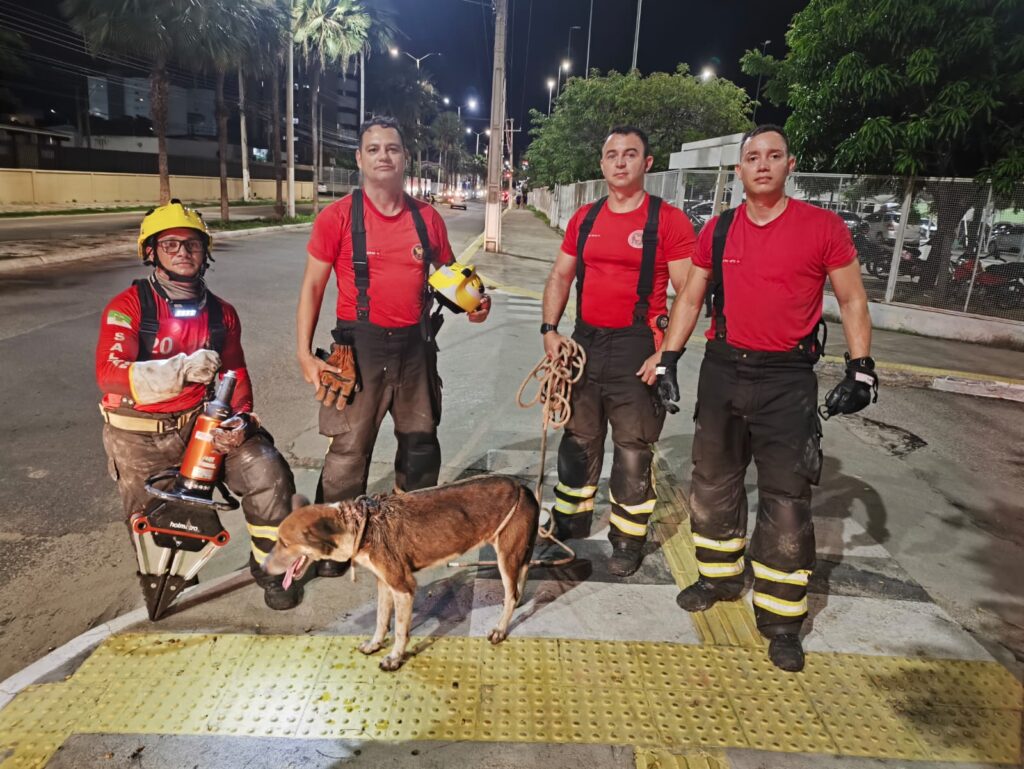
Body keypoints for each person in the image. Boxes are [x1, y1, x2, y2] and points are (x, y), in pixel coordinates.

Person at [656, 125, 877, 672]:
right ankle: (718, 576)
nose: (762, 165)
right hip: (724, 369)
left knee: (786, 498)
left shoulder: (822, 228)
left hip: (787, 379)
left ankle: (781, 620)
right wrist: (668, 357)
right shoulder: (719, 230)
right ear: (738, 171)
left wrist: (862, 369)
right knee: (713, 483)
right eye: (752, 157)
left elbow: (852, 300)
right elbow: (690, 296)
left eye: (773, 156)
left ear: (789, 165)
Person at [297, 117, 491, 573]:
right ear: (360, 158)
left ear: (405, 158)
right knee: (348, 451)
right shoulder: (337, 218)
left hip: (415, 349)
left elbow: (453, 282)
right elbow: (312, 288)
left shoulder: (427, 219)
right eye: (375, 148)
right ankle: (335, 542)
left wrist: (477, 305)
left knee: (421, 447)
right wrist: (304, 354)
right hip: (358, 352)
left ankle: (410, 536)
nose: (384, 155)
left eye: (393, 148)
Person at [96, 200, 303, 610]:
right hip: (139, 436)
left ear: (205, 252)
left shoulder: (221, 313)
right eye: (169, 244)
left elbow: (236, 373)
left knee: (268, 472)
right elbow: (110, 372)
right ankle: (171, 581)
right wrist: (179, 370)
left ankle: (273, 569)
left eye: (191, 244)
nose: (182, 252)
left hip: (202, 426)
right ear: (150, 252)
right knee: (152, 523)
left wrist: (240, 420)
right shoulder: (128, 306)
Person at [540, 125, 696, 577]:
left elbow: (688, 291)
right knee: (579, 439)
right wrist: (550, 330)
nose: (621, 161)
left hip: (638, 348)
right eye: (612, 154)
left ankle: (627, 538)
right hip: (584, 343)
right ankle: (570, 518)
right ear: (602, 164)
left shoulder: (667, 221)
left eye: (631, 154)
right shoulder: (584, 220)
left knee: (632, 449)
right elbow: (560, 277)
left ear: (647, 164)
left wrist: (666, 354)